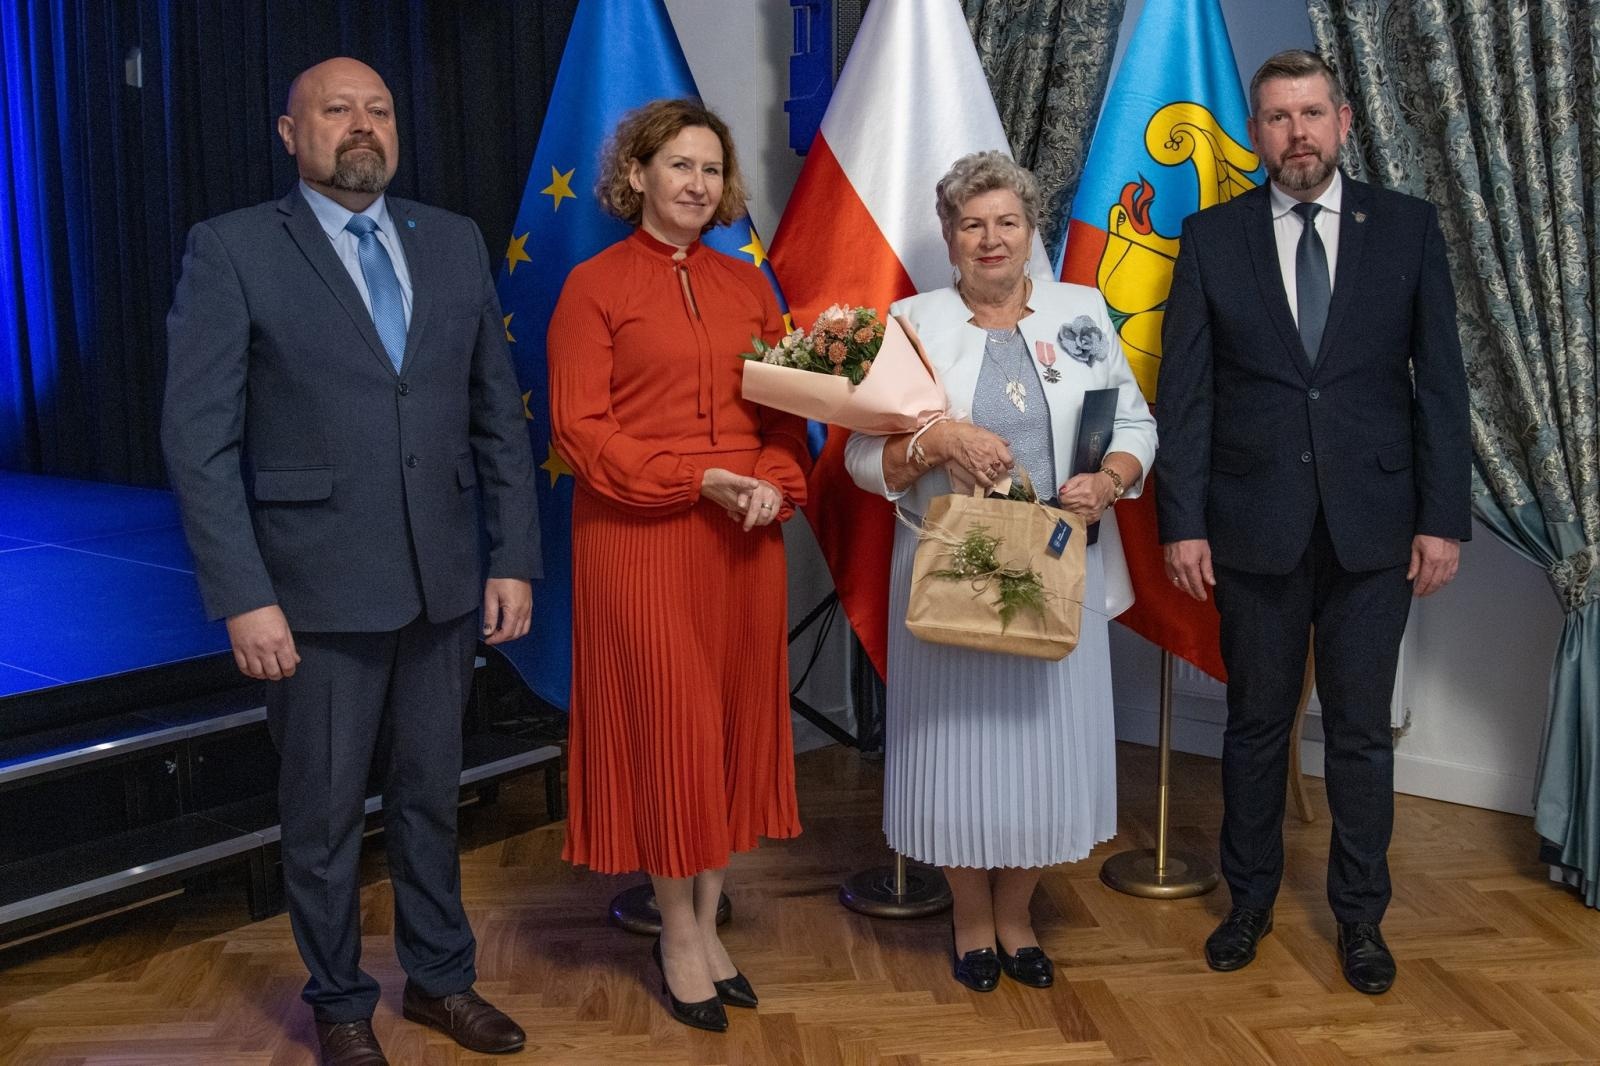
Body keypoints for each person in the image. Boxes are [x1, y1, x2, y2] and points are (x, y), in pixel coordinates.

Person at [163, 58, 538, 1065]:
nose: (361, 126)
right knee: (323, 817)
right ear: (290, 134)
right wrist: (243, 596)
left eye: (378, 109)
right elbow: (197, 443)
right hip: (312, 593)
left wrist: (513, 556)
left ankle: (441, 981)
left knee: (431, 797)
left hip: (444, 584)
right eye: (337, 111)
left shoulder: (451, 240)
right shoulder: (234, 249)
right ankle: (337, 1002)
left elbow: (494, 413)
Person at [1155, 49, 1471, 995]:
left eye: (1312, 113)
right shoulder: (1212, 238)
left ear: (1342, 121)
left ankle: (1361, 919)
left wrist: (1442, 520)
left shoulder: (1408, 230)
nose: (1297, 133)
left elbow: (1441, 391)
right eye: (1278, 117)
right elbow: (1188, 395)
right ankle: (1249, 902)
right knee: (1254, 724)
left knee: (1363, 732)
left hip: (1378, 528)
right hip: (1251, 523)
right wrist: (1183, 523)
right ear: (1256, 134)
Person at [844, 151, 1156, 993]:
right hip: (952, 577)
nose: (991, 239)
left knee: (1048, 749)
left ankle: (1017, 914)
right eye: (973, 223)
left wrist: (1114, 477)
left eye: (1007, 222)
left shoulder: (1081, 312)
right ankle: (969, 917)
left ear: (1031, 233)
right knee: (955, 753)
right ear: (949, 236)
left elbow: (1135, 421)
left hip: (1060, 574)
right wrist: (933, 443)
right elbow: (860, 460)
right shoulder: (912, 322)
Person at [547, 98, 810, 1033]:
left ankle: (707, 916)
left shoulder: (752, 289)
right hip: (641, 539)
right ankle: (677, 931)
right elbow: (581, 432)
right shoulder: (593, 285)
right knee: (675, 728)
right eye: (679, 167)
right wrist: (700, 479)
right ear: (636, 178)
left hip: (744, 542)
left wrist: (774, 483)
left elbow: (787, 419)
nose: (697, 184)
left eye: (710, 169)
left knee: (731, 724)